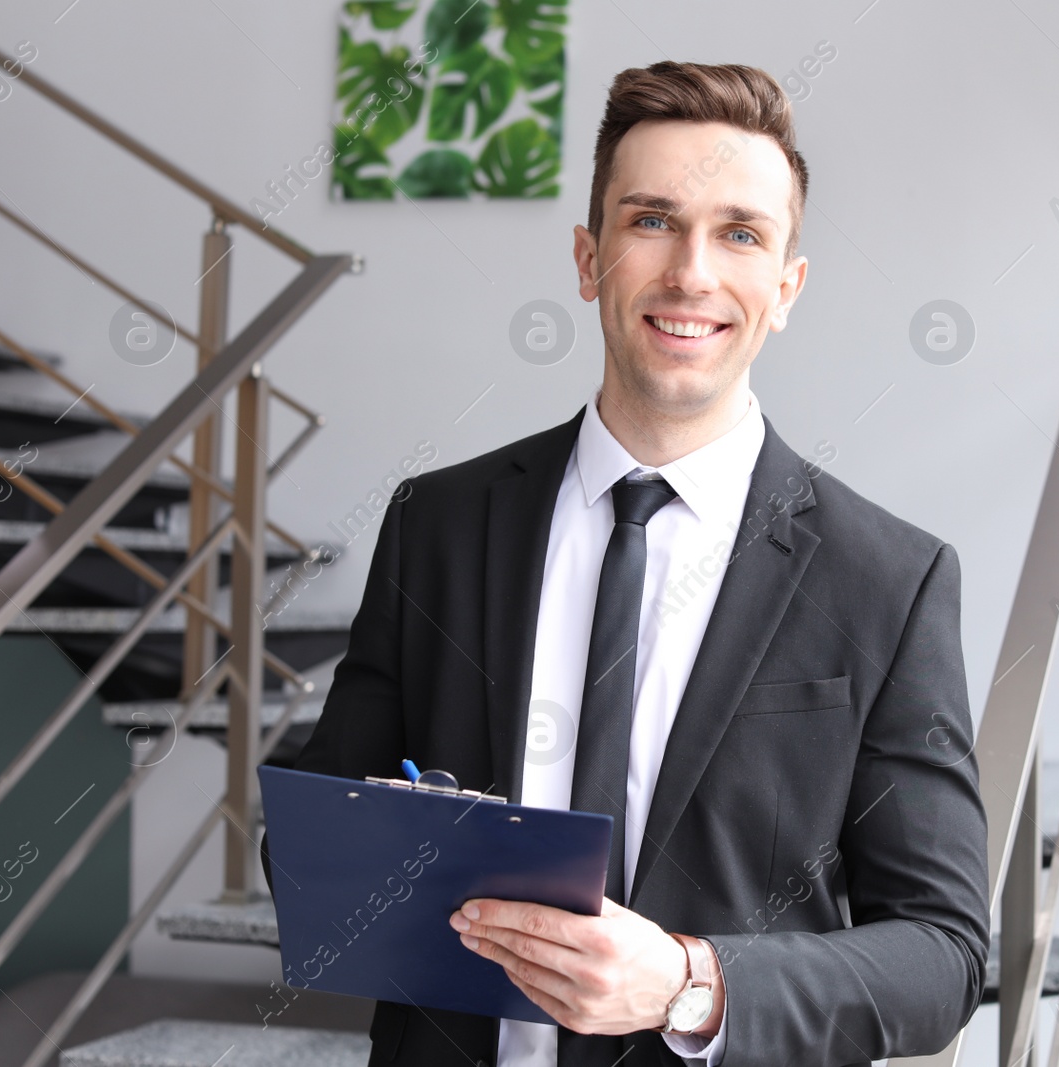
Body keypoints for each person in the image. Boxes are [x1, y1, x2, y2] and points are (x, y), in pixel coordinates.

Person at [263, 60, 989, 1067]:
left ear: (785, 288)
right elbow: (308, 845)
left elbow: (943, 955)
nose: (690, 271)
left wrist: (692, 982)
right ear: (588, 256)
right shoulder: (435, 522)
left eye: (740, 232)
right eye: (651, 220)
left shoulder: (889, 581)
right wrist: (396, 845)